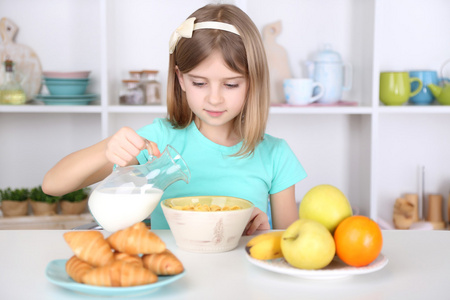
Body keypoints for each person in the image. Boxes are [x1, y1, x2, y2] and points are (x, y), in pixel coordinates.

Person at [42, 4, 307, 235]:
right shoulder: (156, 142)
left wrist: (263, 234)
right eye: (200, 83)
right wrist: (107, 148)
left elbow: (289, 248)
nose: (214, 99)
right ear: (181, 78)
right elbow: (52, 185)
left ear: (253, 83)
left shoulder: (275, 155)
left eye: (231, 85)